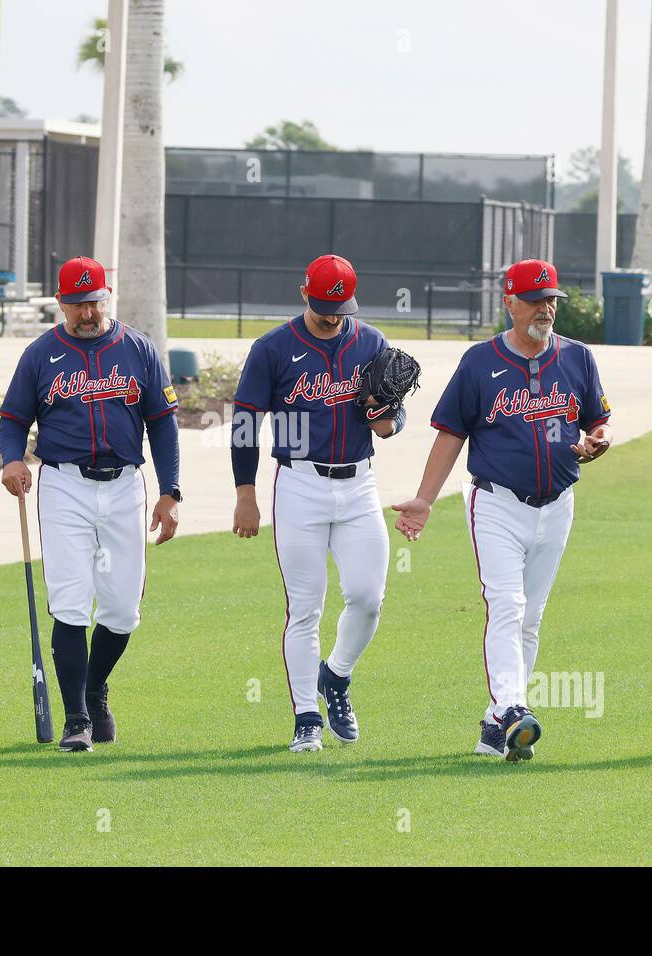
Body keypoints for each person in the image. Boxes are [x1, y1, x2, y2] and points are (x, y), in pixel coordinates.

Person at [392, 259, 613, 762]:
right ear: (509, 302)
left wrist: (600, 441)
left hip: (558, 505)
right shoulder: (479, 362)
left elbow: (599, 421)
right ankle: (513, 708)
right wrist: (425, 499)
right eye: (535, 298)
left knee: (531, 618)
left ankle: (497, 724)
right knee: (507, 606)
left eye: (551, 298)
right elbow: (451, 433)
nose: (546, 307)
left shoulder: (577, 357)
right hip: (496, 504)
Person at [0, 256, 181, 753]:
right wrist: (13, 460)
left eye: (94, 301)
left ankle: (94, 686)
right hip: (64, 486)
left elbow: (162, 422)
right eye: (76, 303)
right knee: (71, 603)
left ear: (108, 298)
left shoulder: (138, 350)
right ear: (61, 303)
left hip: (126, 485)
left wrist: (170, 491)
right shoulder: (40, 355)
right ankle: (77, 717)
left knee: (122, 611)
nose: (87, 313)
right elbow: (13, 417)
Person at [231, 254, 405, 753]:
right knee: (305, 610)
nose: (333, 316)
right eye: (324, 305)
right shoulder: (273, 349)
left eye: (341, 307)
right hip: (299, 486)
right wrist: (245, 493)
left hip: (358, 485)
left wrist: (387, 420)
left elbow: (395, 415)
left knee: (368, 597)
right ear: (303, 292)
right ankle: (306, 716)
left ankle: (337, 676)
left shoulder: (370, 342)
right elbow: (246, 424)